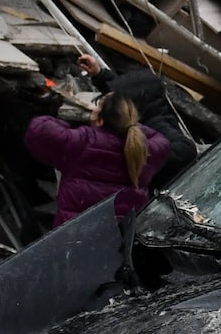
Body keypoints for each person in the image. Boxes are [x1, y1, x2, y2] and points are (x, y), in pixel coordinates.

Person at [25, 91, 171, 228]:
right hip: (118, 243)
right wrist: (128, 125)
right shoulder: (144, 151)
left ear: (100, 120)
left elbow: (38, 129)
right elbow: (162, 141)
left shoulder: (83, 141)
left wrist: (65, 118)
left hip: (72, 238)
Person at [76, 54, 199, 182]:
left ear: (132, 107)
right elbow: (125, 92)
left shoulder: (158, 125)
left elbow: (187, 150)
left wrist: (138, 154)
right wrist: (99, 74)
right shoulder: (140, 109)